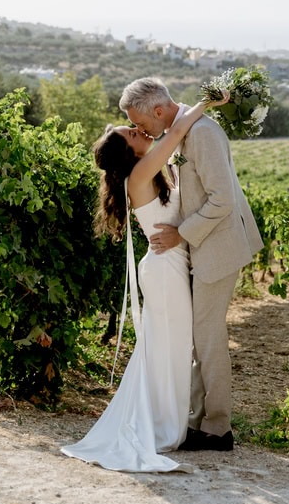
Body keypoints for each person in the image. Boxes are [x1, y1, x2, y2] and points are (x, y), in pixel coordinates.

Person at [61, 91, 229, 473]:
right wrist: (208, 102)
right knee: (169, 347)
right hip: (164, 268)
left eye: (136, 128)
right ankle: (163, 427)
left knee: (169, 346)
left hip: (166, 264)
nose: (140, 132)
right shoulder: (140, 174)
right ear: (131, 152)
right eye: (133, 134)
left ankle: (168, 420)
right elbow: (176, 132)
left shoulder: (146, 171)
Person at [119, 76, 263, 452]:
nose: (140, 129)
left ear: (159, 110)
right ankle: (199, 422)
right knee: (201, 338)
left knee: (208, 337)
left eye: (141, 122)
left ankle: (218, 429)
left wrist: (180, 234)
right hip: (202, 248)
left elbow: (221, 201)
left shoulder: (201, 134)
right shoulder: (182, 133)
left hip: (218, 248)